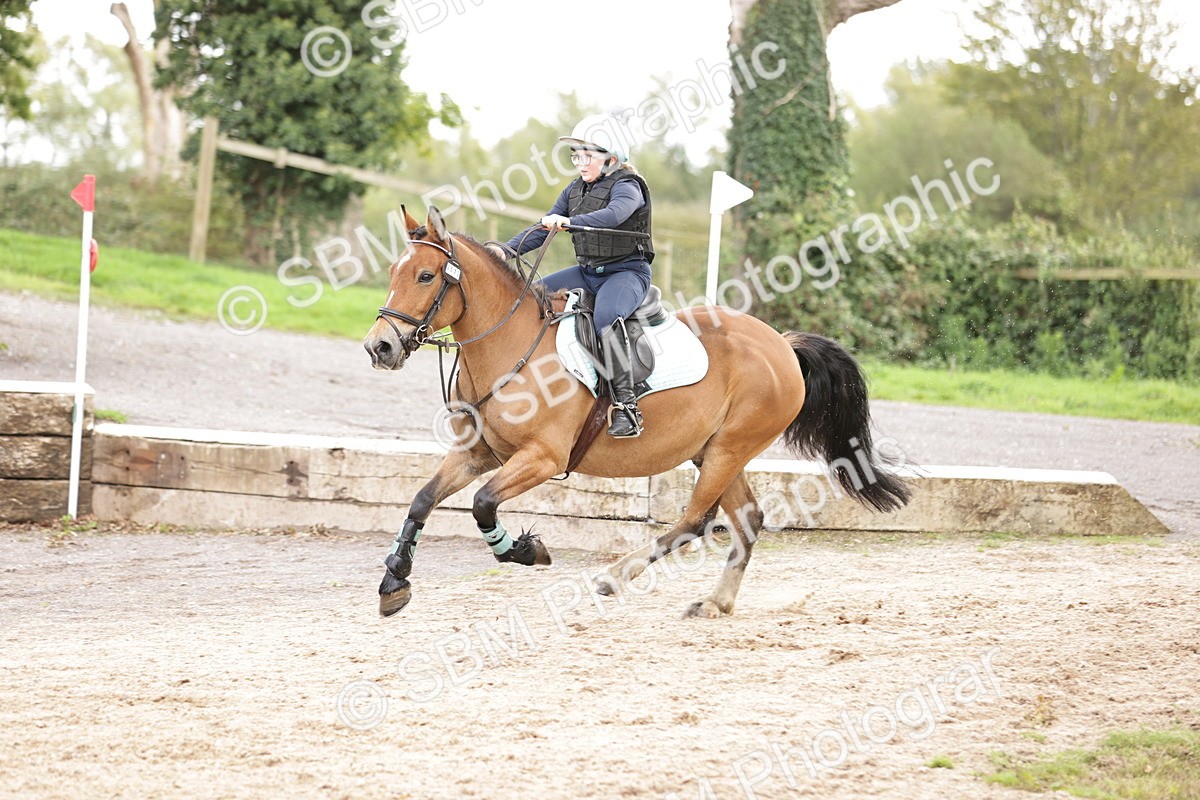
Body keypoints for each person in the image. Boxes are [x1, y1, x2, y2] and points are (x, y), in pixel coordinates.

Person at [488, 113, 655, 438]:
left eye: (587, 155)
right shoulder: (574, 191)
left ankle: (627, 406)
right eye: (576, 155)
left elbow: (614, 215)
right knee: (530, 298)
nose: (579, 162)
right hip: (587, 272)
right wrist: (505, 251)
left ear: (611, 158)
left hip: (626, 273)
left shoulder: (628, 187)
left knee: (606, 316)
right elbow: (543, 228)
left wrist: (569, 223)